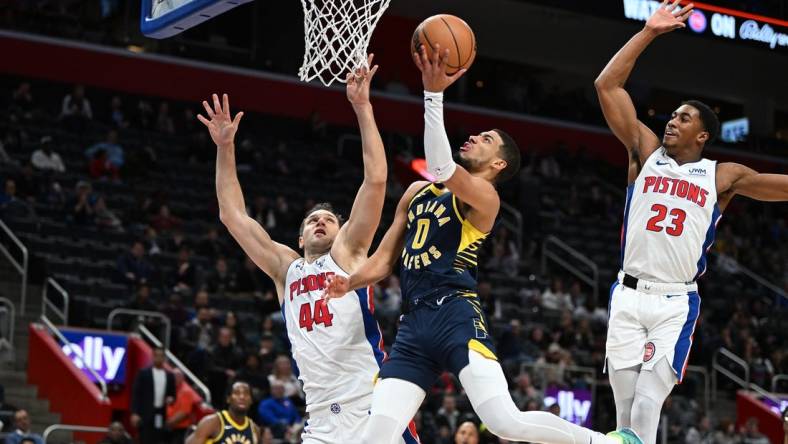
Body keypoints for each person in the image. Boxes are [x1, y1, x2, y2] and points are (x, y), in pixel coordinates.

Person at [325, 44, 637, 444]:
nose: (474, 136)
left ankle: (606, 442)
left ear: (498, 164)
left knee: (504, 421)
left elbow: (441, 165)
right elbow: (386, 259)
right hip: (414, 324)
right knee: (375, 437)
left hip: (455, 313)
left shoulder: (485, 199)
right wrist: (349, 282)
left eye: (486, 139)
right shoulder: (418, 193)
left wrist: (433, 94)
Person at [593, 2, 788, 444]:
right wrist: (648, 32)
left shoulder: (722, 176)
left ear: (703, 135)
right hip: (627, 292)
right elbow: (606, 85)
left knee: (647, 402)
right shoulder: (644, 151)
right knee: (623, 409)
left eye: (684, 117)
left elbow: (781, 186)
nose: (671, 120)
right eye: (673, 114)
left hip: (674, 303)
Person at [198, 55, 418, 444]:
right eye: (313, 220)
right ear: (299, 238)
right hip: (321, 420)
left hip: (372, 407)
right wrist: (225, 147)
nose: (321, 222)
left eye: (329, 219)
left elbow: (377, 179)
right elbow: (232, 215)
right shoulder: (286, 269)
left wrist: (363, 107)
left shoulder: (348, 251)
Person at [186, 381, 260, 444]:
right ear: (228, 399)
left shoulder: (255, 430)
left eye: (246, 393)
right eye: (237, 393)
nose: (242, 397)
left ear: (251, 400)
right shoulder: (212, 422)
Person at [131, 347, 176, 444]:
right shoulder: (143, 373)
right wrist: (135, 412)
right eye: (156, 356)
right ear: (153, 357)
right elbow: (136, 394)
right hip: (145, 413)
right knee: (145, 439)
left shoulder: (169, 376)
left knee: (158, 439)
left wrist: (171, 399)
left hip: (160, 413)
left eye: (161, 356)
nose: (158, 358)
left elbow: (173, 394)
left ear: (164, 358)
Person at [166, 370, 202, 444]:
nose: (174, 379)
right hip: (172, 427)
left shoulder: (186, 391)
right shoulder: (173, 388)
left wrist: (168, 423)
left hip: (179, 429)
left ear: (182, 378)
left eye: (176, 377)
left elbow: (184, 412)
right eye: (173, 377)